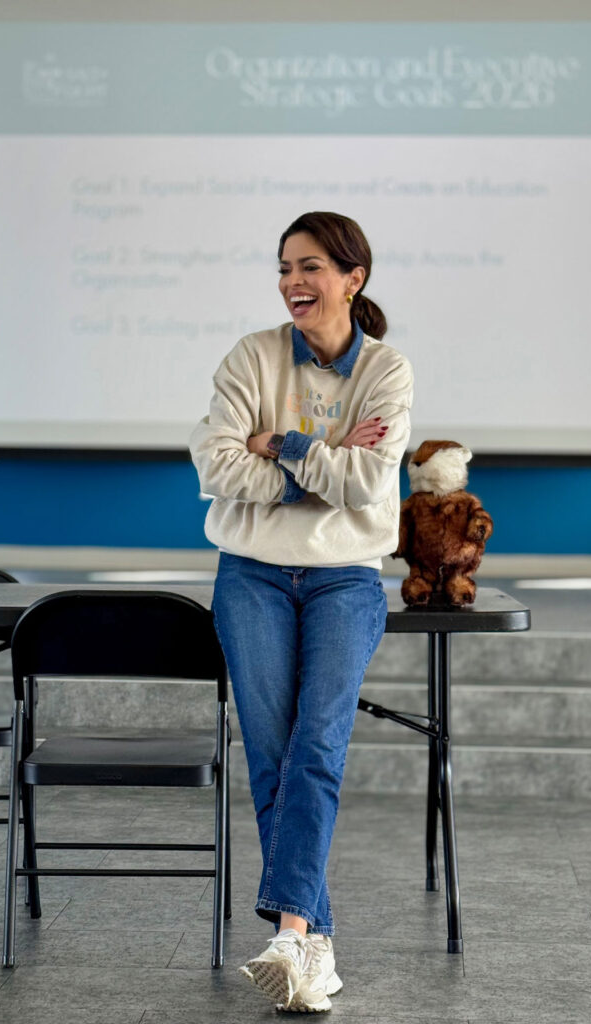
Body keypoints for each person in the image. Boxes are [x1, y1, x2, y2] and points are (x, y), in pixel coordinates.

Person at [190, 211, 413, 1012]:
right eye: (285, 266)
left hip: (344, 578)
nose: (293, 281)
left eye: (312, 266)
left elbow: (369, 484)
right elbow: (215, 467)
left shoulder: (387, 371)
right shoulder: (249, 357)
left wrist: (280, 443)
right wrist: (321, 463)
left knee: (317, 742)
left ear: (354, 277)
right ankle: (309, 942)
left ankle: (290, 936)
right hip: (251, 574)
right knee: (274, 752)